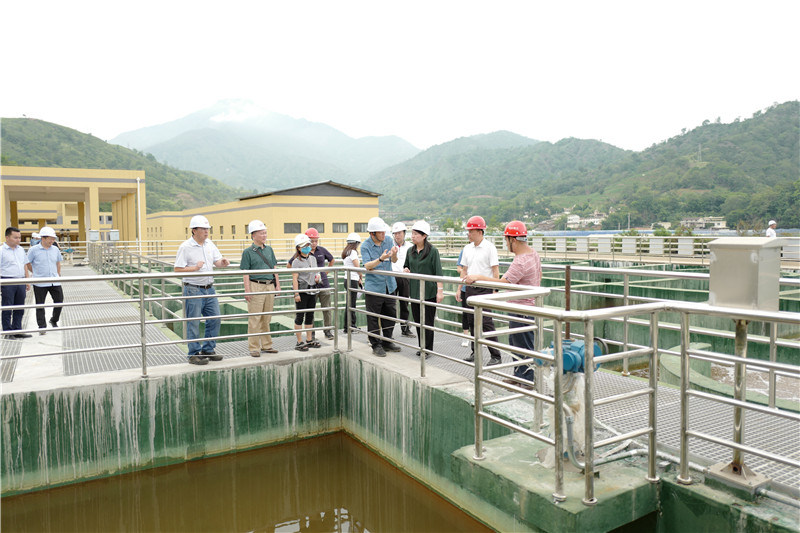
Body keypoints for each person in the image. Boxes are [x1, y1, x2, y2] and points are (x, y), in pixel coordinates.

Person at [465, 221, 541, 388]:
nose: (506, 244)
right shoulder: (533, 254)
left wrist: (478, 277)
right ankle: (519, 375)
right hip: (527, 306)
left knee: (523, 345)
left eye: (506, 240)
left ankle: (528, 380)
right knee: (516, 343)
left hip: (522, 308)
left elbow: (503, 283)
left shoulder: (520, 261)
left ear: (513, 240)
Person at [174, 215, 230, 365]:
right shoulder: (186, 247)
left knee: (215, 319)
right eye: (203, 229)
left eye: (207, 229)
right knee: (193, 322)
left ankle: (208, 350)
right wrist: (195, 268)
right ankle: (193, 354)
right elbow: (177, 269)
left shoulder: (209, 244)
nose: (206, 231)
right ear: (194, 230)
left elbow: (217, 262)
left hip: (209, 288)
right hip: (193, 289)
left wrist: (223, 262)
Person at [459, 215, 502, 366]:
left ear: (479, 231)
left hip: (485, 289)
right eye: (468, 231)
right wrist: (460, 288)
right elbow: (464, 270)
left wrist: (495, 289)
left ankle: (496, 355)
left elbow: (495, 271)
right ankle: (475, 352)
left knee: (486, 322)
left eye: (471, 231)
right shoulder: (467, 248)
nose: (468, 234)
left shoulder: (490, 247)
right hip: (470, 288)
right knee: (471, 321)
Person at [360, 216, 401, 357]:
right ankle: (376, 344)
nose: (383, 234)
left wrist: (394, 255)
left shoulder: (388, 240)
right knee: (373, 317)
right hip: (374, 287)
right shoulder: (365, 246)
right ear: (372, 233)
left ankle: (387, 341)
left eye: (384, 232)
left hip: (389, 284)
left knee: (390, 314)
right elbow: (367, 266)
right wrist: (381, 259)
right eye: (380, 232)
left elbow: (394, 260)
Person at [403, 220, 443, 358]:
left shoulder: (433, 251)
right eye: (412, 234)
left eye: (416, 234)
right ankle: (421, 346)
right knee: (418, 321)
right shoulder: (410, 251)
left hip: (429, 292)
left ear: (424, 235)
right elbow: (406, 266)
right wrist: (406, 269)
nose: (413, 236)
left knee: (427, 322)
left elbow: (438, 272)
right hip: (414, 291)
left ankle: (428, 349)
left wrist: (440, 291)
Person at [240, 219, 280, 357]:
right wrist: (247, 290)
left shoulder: (269, 250)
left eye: (265, 233)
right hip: (255, 285)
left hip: (269, 285)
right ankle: (254, 347)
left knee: (266, 317)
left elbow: (274, 268)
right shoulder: (247, 252)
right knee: (255, 318)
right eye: (261, 233)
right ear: (253, 235)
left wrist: (277, 285)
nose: (264, 235)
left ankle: (267, 345)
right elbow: (245, 272)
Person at [24, 226, 63, 335]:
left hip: (54, 281)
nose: (52, 241)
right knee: (40, 305)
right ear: (43, 238)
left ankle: (54, 320)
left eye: (53, 239)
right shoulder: (33, 250)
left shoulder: (55, 249)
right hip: (40, 282)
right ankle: (42, 326)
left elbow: (58, 263)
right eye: (50, 239)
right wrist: (35, 272)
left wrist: (58, 274)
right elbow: (27, 263)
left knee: (59, 301)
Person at [291, 233, 322, 351]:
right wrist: (296, 293)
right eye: (304, 246)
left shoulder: (313, 258)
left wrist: (317, 278)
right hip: (302, 291)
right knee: (300, 316)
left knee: (310, 315)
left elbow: (316, 272)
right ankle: (299, 342)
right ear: (298, 248)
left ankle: (309, 340)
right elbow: (295, 278)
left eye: (308, 245)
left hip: (312, 290)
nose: (307, 247)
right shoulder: (296, 262)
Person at [1, 227, 32, 339]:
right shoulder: (1, 250)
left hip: (21, 280)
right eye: (15, 237)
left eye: (19, 237)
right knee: (7, 307)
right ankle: (7, 332)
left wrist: (27, 280)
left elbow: (24, 265)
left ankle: (17, 330)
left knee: (20, 307)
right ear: (7, 237)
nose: (18, 240)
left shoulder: (20, 250)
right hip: (7, 281)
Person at [305, 228, 335, 340]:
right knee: (310, 310)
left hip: (324, 285)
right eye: (311, 241)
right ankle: (311, 333)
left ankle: (328, 331)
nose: (314, 243)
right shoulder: (303, 252)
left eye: (316, 241)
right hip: (310, 285)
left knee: (327, 309)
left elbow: (332, 260)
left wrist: (325, 272)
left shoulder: (322, 250)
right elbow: (291, 264)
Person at [391, 222, 415, 338]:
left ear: (404, 233)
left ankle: (405, 329)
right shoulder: (390, 245)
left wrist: (409, 270)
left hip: (404, 277)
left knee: (404, 303)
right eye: (395, 233)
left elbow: (413, 262)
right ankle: (388, 331)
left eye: (399, 233)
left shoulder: (410, 246)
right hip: (392, 276)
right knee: (390, 304)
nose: (397, 236)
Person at [341, 232, 363, 333]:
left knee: (349, 304)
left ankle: (347, 326)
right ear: (356, 243)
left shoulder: (346, 252)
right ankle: (350, 326)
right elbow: (357, 266)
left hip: (347, 279)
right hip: (352, 280)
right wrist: (360, 276)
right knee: (351, 305)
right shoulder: (353, 252)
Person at [455, 249, 470, 347]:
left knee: (481, 314)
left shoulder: (486, 248)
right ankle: (466, 336)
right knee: (465, 313)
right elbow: (459, 268)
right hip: (465, 286)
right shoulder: (465, 250)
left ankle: (481, 336)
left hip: (480, 287)